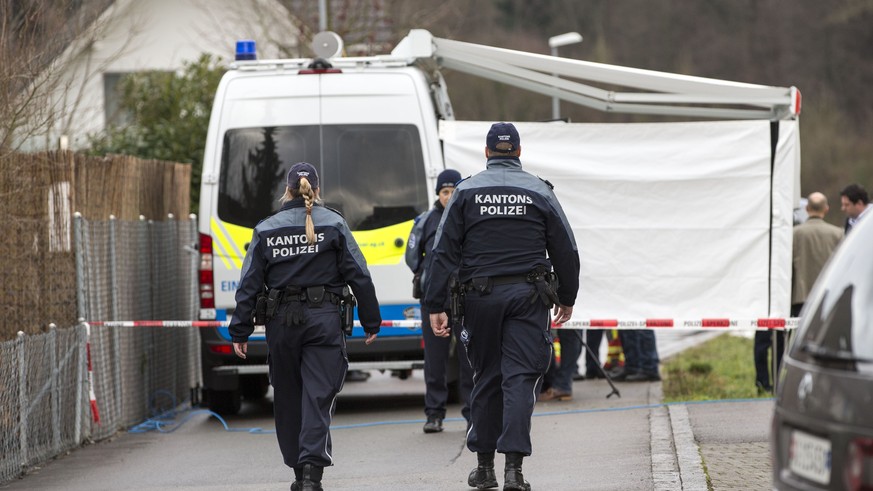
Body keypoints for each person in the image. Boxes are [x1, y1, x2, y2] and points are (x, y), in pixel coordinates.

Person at [424, 122, 580, 491]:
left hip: (479, 300)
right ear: (520, 152)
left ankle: (485, 467)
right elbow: (566, 249)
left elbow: (443, 251)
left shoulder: (464, 191)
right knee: (520, 380)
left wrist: (435, 303)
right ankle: (514, 470)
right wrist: (568, 297)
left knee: (488, 379)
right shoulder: (539, 190)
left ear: (487, 153)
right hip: (528, 299)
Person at [228, 162, 381, 491]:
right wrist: (371, 319)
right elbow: (359, 274)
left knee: (287, 397)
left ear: (287, 190)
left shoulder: (266, 228)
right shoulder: (335, 224)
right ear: (317, 189)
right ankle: (312, 475)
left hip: (281, 324)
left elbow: (249, 284)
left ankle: (299, 474)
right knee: (317, 397)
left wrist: (239, 329)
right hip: (324, 320)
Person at [405, 168, 474, 433]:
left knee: (470, 360)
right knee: (435, 361)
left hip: (465, 299)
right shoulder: (426, 220)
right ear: (438, 194)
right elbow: (412, 256)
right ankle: (434, 414)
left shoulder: (468, 217)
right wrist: (426, 275)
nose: (449, 196)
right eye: (445, 192)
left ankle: (472, 415)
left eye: (454, 191)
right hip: (434, 301)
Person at [755, 191, 843, 393]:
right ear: (826, 209)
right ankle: (825, 386)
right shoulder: (837, 233)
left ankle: (779, 385)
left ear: (807, 209)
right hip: (826, 298)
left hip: (798, 297)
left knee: (785, 342)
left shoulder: (794, 234)